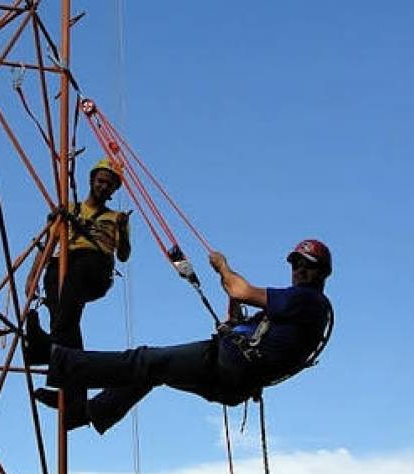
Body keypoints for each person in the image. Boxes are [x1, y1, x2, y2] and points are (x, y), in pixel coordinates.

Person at [24, 238, 334, 433]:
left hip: (229, 364)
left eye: (308, 266)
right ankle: (85, 413)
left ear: (322, 273)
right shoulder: (299, 311)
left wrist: (223, 268)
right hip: (234, 378)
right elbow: (239, 317)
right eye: (296, 264)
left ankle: (53, 358)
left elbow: (240, 288)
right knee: (152, 371)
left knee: (144, 360)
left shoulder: (306, 300)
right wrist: (234, 307)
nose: (299, 271)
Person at [26, 158, 131, 415]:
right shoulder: (70, 208)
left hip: (94, 266)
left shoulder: (116, 217)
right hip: (63, 265)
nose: (104, 187)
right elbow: (49, 244)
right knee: (65, 318)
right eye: (101, 181)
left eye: (110, 184)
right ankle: (72, 394)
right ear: (92, 180)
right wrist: (33, 276)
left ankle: (47, 349)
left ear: (114, 190)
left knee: (68, 303)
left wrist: (123, 232)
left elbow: (124, 256)